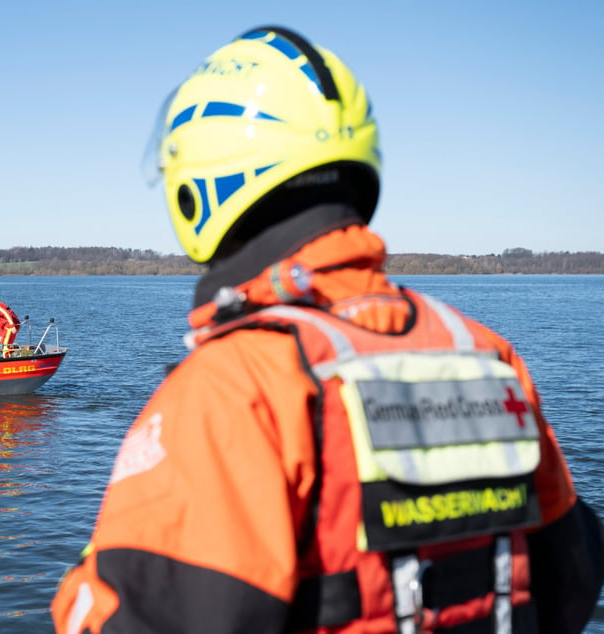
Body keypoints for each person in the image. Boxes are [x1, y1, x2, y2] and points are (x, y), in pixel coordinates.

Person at [52, 26, 604, 633]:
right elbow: (570, 582)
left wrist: (101, 567)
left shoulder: (236, 385)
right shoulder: (486, 354)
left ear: (202, 182)